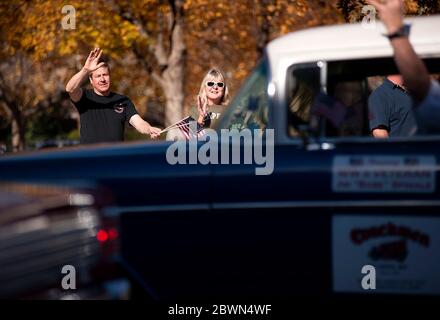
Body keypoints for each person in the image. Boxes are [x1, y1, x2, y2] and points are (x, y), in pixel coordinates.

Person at [367, 0, 440, 133]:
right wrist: (395, 30)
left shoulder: (418, 91)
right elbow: (379, 134)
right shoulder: (380, 95)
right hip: (401, 153)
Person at [65, 48, 161, 144]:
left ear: (110, 76)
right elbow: (70, 89)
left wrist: (149, 129)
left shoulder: (123, 100)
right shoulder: (84, 97)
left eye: (105, 75)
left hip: (115, 156)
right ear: (91, 80)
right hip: (90, 156)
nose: (102, 79)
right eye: (98, 76)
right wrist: (85, 70)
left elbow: (138, 122)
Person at [166, 68, 229, 140]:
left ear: (224, 89)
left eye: (220, 84)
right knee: (172, 132)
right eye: (210, 84)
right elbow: (192, 134)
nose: (215, 87)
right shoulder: (196, 110)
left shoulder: (229, 109)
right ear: (204, 87)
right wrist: (201, 116)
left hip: (222, 144)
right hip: (201, 147)